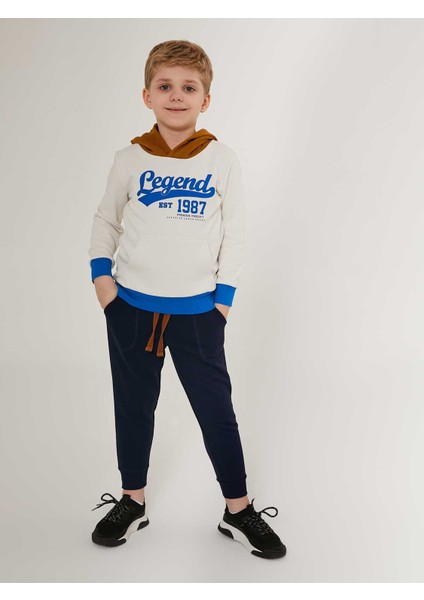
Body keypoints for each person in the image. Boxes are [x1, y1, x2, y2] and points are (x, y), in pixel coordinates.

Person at [88, 39, 286, 559]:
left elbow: (235, 235)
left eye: (189, 88)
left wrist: (222, 303)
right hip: (132, 309)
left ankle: (238, 509)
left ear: (206, 99)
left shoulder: (222, 160)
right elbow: (106, 220)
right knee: (134, 406)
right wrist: (105, 287)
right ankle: (132, 500)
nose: (176, 96)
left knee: (216, 411)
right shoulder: (129, 159)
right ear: (147, 96)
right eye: (165, 86)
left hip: (199, 313)